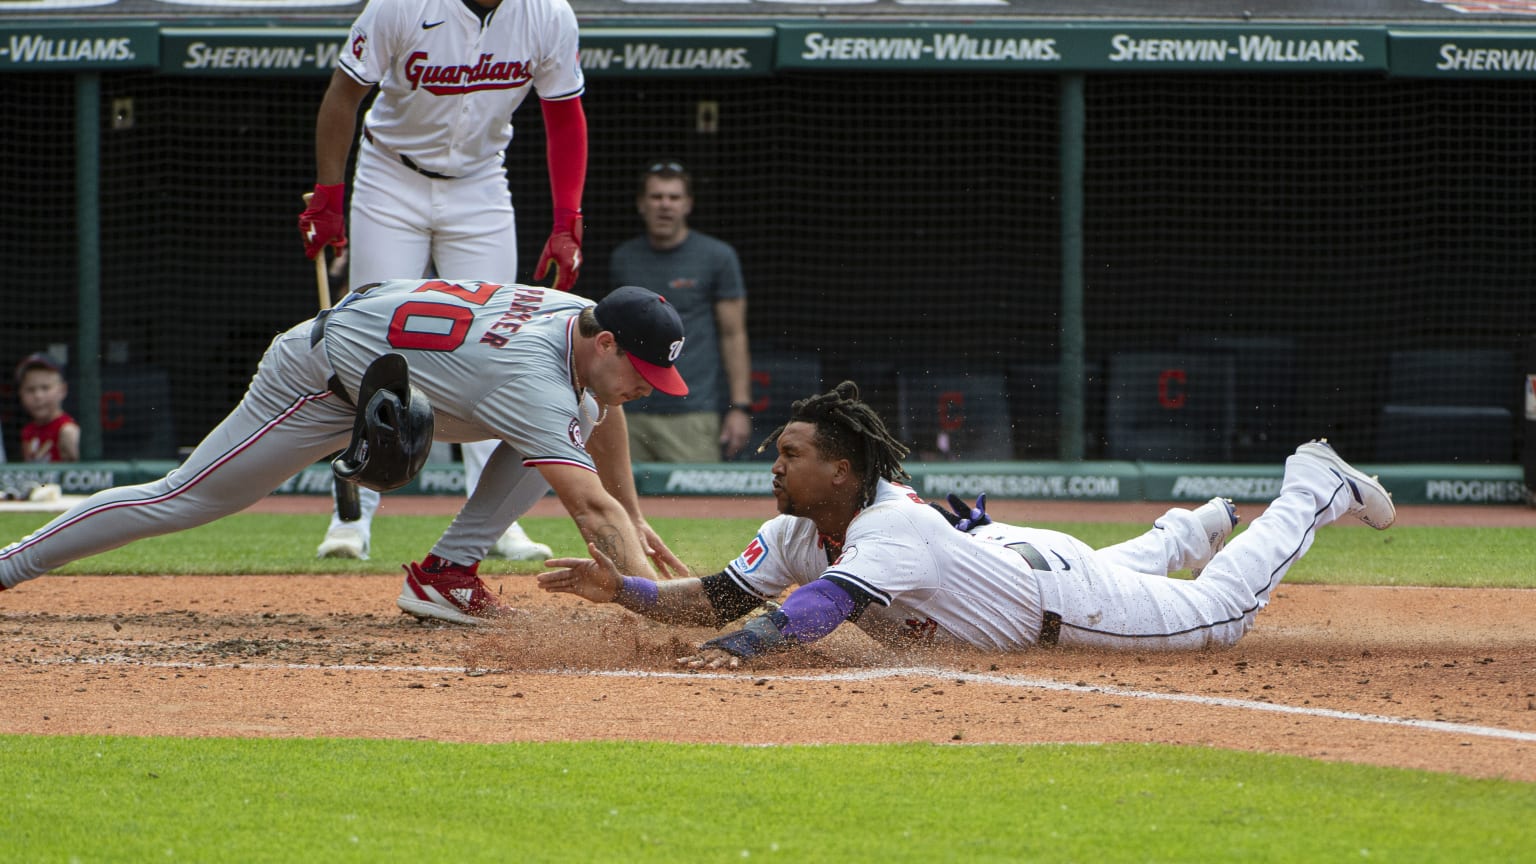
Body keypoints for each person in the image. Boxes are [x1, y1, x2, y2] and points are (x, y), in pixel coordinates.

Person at [537, 381, 1396, 666]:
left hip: (1071, 601)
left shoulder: (888, 528)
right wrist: (628, 592)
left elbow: (817, 614)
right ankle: (1195, 522)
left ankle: (1309, 485)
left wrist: (733, 656)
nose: (774, 462)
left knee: (1225, 615)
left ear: (841, 469)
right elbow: (720, 598)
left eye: (791, 453)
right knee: (1119, 563)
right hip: (1015, 557)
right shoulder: (805, 531)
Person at [0, 280, 690, 626]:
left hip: (401, 375)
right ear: (606, 344)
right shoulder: (534, 379)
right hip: (317, 383)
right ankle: (9, 566)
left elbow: (600, 413)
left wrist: (635, 513)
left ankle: (444, 575)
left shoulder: (578, 315)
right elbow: (588, 507)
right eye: (643, 373)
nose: (647, 390)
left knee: (584, 406)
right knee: (182, 499)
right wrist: (665, 613)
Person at [297, 0, 589, 561]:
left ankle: (496, 521)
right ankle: (352, 514)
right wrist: (330, 195)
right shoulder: (401, 6)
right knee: (369, 340)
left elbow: (564, 115)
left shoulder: (547, 13)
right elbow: (343, 93)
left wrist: (566, 222)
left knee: (500, 345)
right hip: (390, 176)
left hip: (480, 184)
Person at [609, 160, 753, 461]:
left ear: (688, 204)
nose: (665, 205)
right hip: (628, 408)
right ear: (641, 204)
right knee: (620, 504)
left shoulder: (717, 256)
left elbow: (733, 334)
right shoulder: (622, 259)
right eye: (656, 197)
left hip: (693, 412)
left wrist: (740, 407)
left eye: (674, 197)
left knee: (698, 507)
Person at [14, 353, 80, 463]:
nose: (38, 396)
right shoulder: (27, 431)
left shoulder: (67, 431)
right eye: (30, 389)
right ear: (20, 393)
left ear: (62, 390)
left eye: (45, 388)